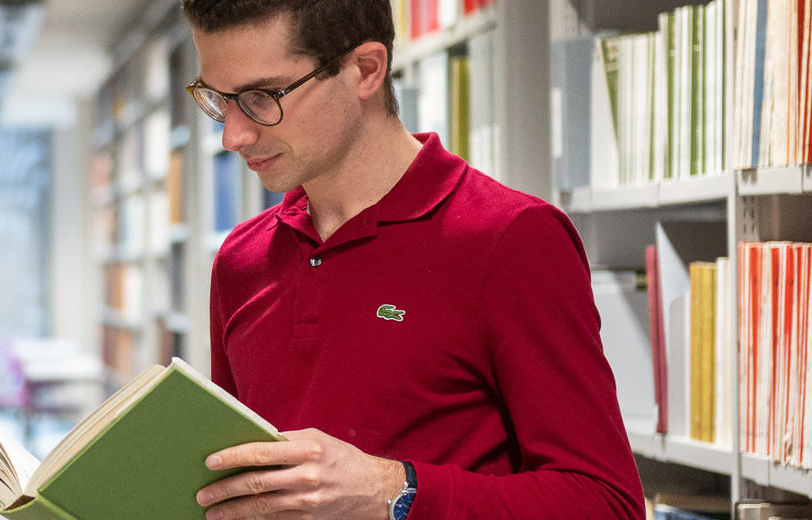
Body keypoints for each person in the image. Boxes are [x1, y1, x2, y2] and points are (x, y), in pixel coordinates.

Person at [181, 1, 646, 519]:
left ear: (365, 70)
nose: (233, 136)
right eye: (219, 100)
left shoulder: (512, 238)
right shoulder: (239, 261)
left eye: (262, 97)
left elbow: (606, 504)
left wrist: (392, 490)